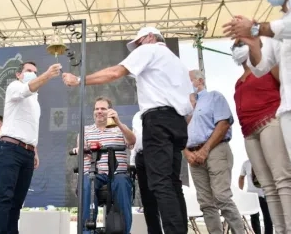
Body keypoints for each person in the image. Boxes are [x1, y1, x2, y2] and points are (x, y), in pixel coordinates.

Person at [62, 27, 193, 233]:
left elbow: (115, 72)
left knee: (160, 184)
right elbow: (190, 105)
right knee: (173, 184)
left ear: (150, 37)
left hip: (158, 120)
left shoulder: (149, 49)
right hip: (178, 122)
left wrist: (80, 81)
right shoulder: (177, 63)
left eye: (138, 43)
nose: (136, 49)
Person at [223, 0, 291, 186]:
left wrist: (255, 28)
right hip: (290, 104)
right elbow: (261, 66)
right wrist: (252, 43)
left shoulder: (290, 18)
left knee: (285, 178)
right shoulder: (278, 25)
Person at [231, 39, 291, 233]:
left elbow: (288, 84)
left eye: (241, 44)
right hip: (249, 133)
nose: (237, 49)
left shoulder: (267, 66)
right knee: (268, 187)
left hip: (271, 122)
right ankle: (279, 230)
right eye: (235, 46)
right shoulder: (240, 81)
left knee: (284, 179)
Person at [0, 61, 61, 234]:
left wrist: (34, 151)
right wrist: (47, 74)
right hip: (9, 149)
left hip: (27, 153)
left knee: (17, 201)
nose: (32, 74)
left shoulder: (35, 102)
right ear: (18, 74)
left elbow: (29, 128)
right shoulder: (14, 87)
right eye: (28, 71)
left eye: (35, 72)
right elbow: (27, 88)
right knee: (4, 198)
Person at [183, 70, 243, 234]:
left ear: (199, 81)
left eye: (187, 80)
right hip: (193, 155)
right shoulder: (183, 107)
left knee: (222, 197)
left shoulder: (214, 97)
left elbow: (223, 124)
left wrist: (206, 149)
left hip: (215, 150)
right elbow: (178, 134)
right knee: (205, 202)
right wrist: (187, 153)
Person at [71, 97, 135, 234]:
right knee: (86, 182)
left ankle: (124, 230)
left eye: (103, 109)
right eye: (97, 109)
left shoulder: (120, 129)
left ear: (110, 111)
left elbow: (132, 141)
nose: (99, 111)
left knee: (122, 183)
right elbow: (80, 149)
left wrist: (117, 122)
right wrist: (81, 150)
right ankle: (86, 230)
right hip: (95, 173)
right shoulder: (86, 130)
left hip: (117, 174)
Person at [131, 110, 163, 233]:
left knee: (164, 196)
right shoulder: (137, 115)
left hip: (158, 155)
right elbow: (135, 140)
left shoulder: (160, 110)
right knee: (148, 201)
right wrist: (133, 162)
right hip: (140, 157)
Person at [239, 160, 273, 234]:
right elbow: (241, 178)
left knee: (268, 217)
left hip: (265, 195)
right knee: (254, 218)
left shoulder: (265, 162)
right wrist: (240, 193)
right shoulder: (246, 164)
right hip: (252, 196)